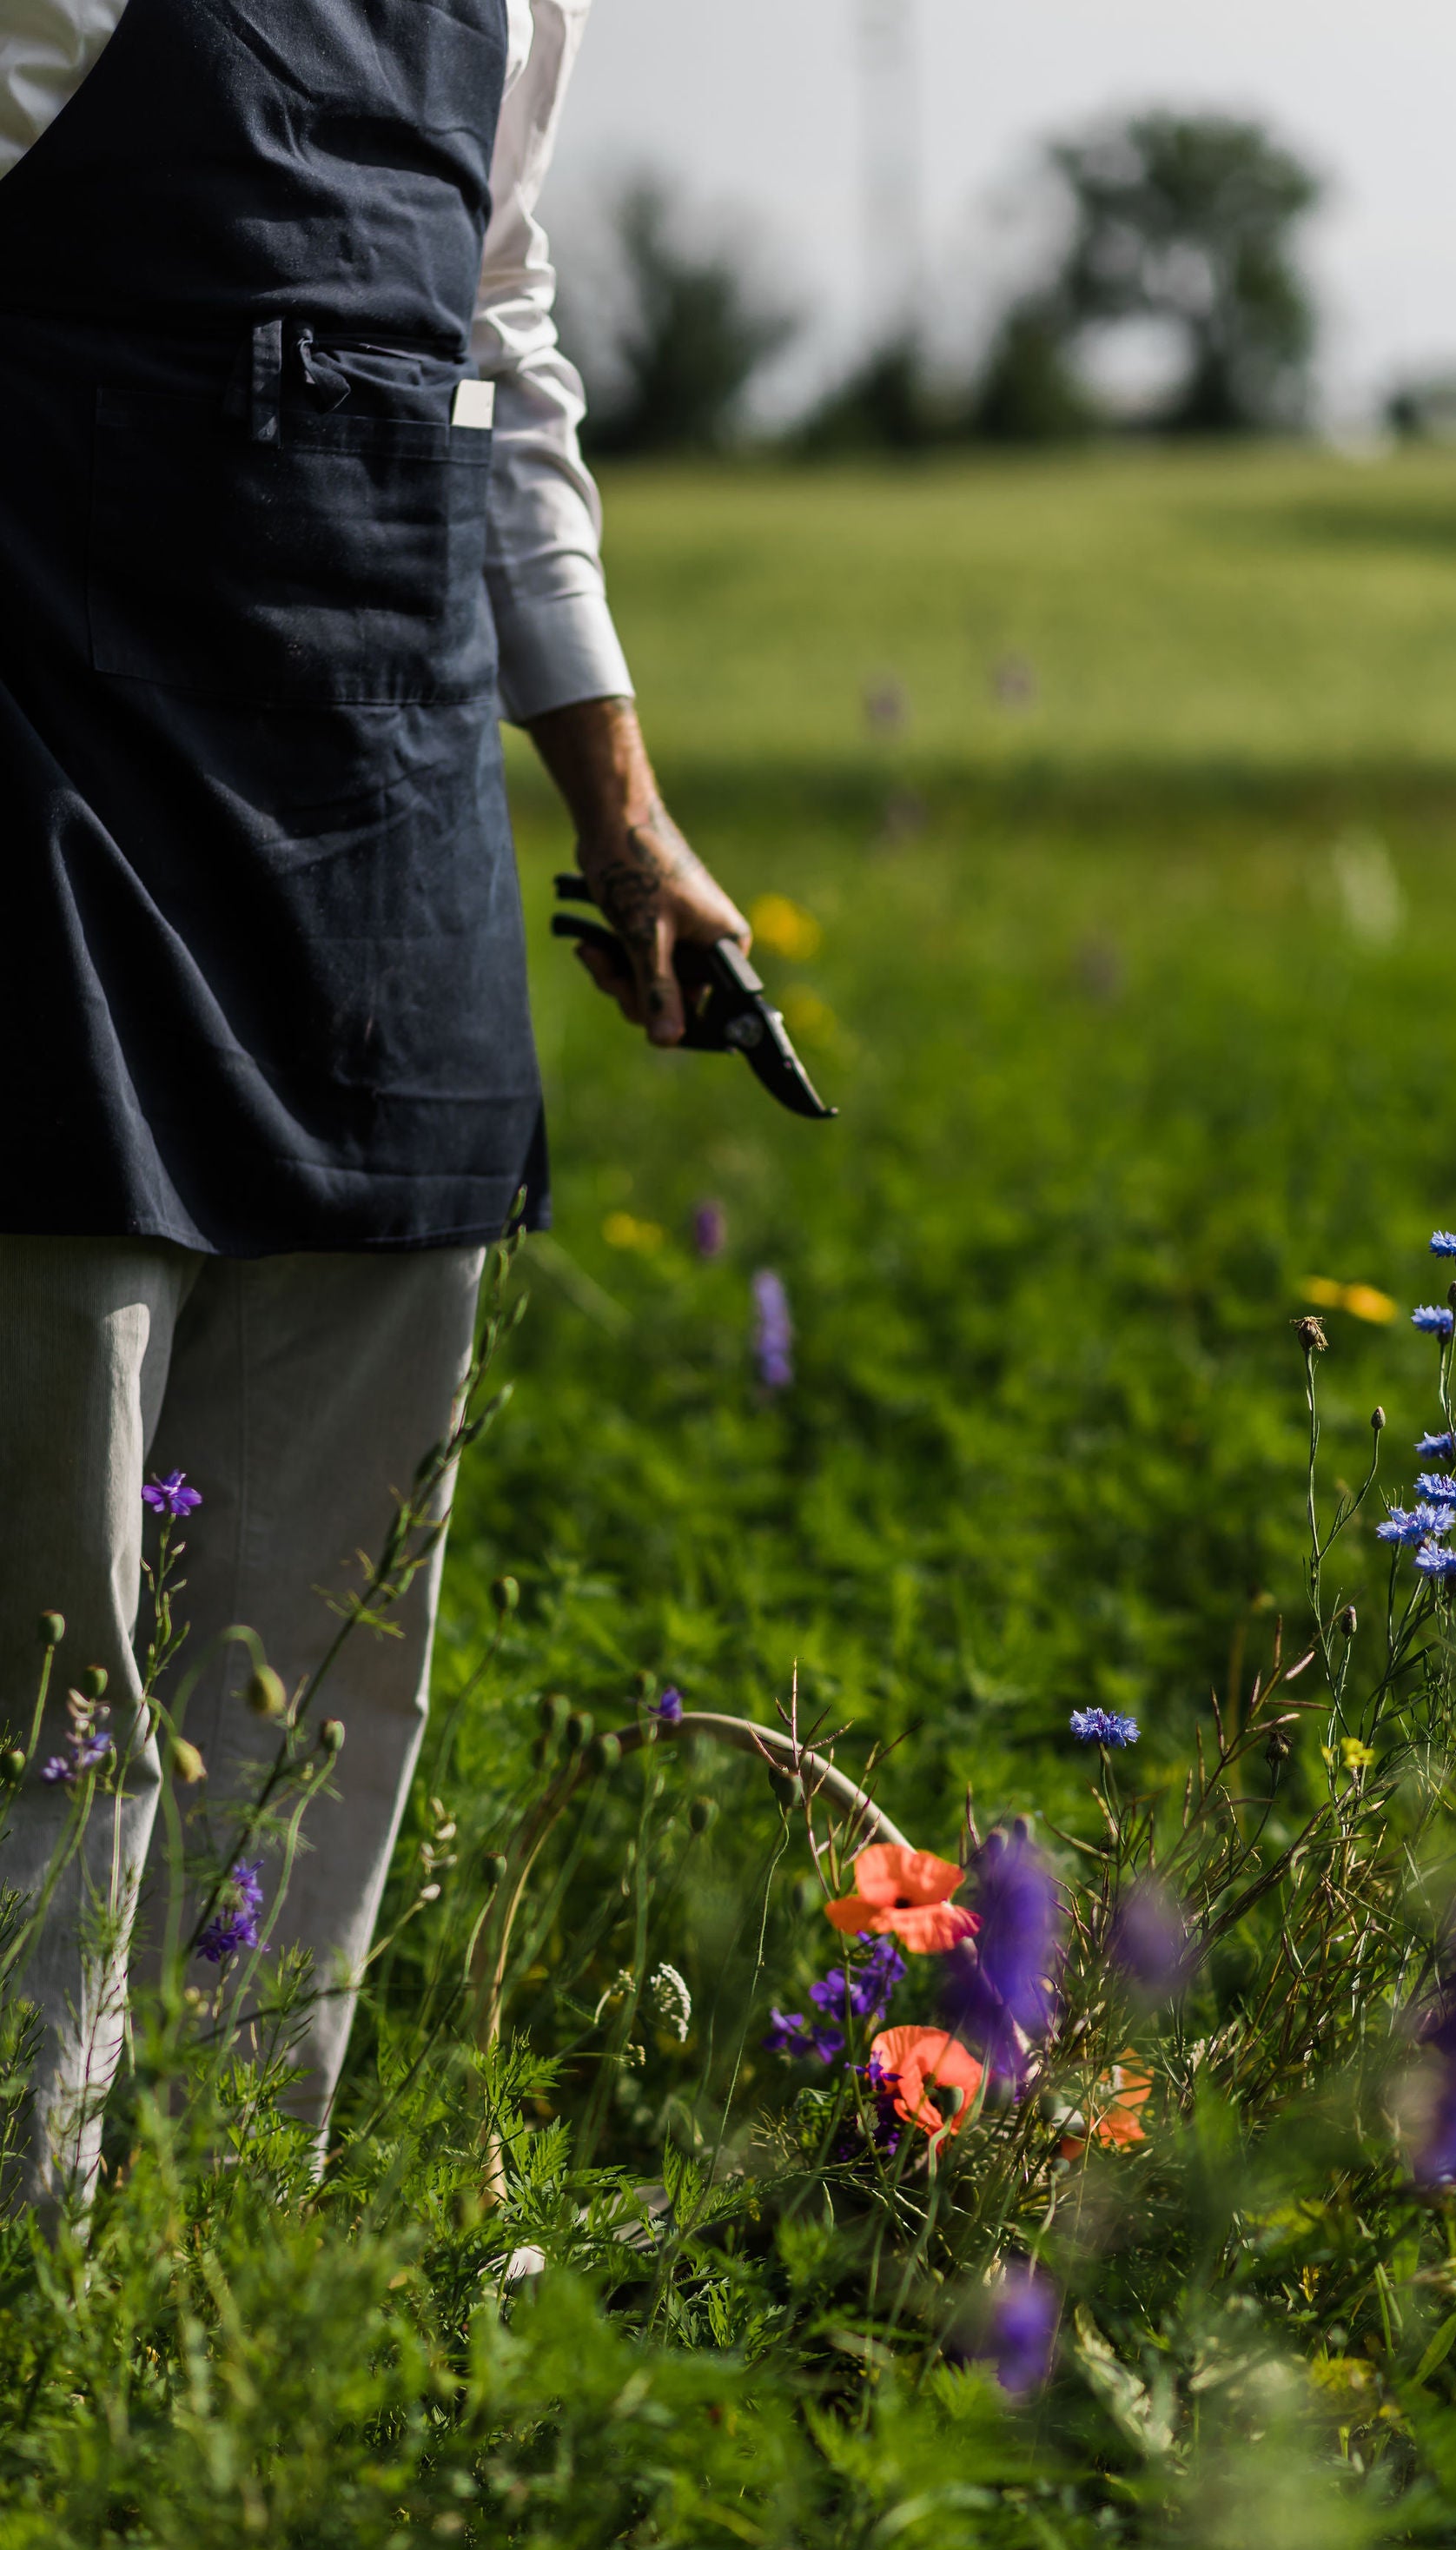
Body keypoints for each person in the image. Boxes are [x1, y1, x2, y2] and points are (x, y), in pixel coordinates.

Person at [0, 0, 747, 2211]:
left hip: (384, 797)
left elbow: (496, 343)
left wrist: (620, 814)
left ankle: (229, 2261)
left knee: (322, 1648)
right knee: (46, 1629)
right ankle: (32, 2286)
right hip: (54, 772)